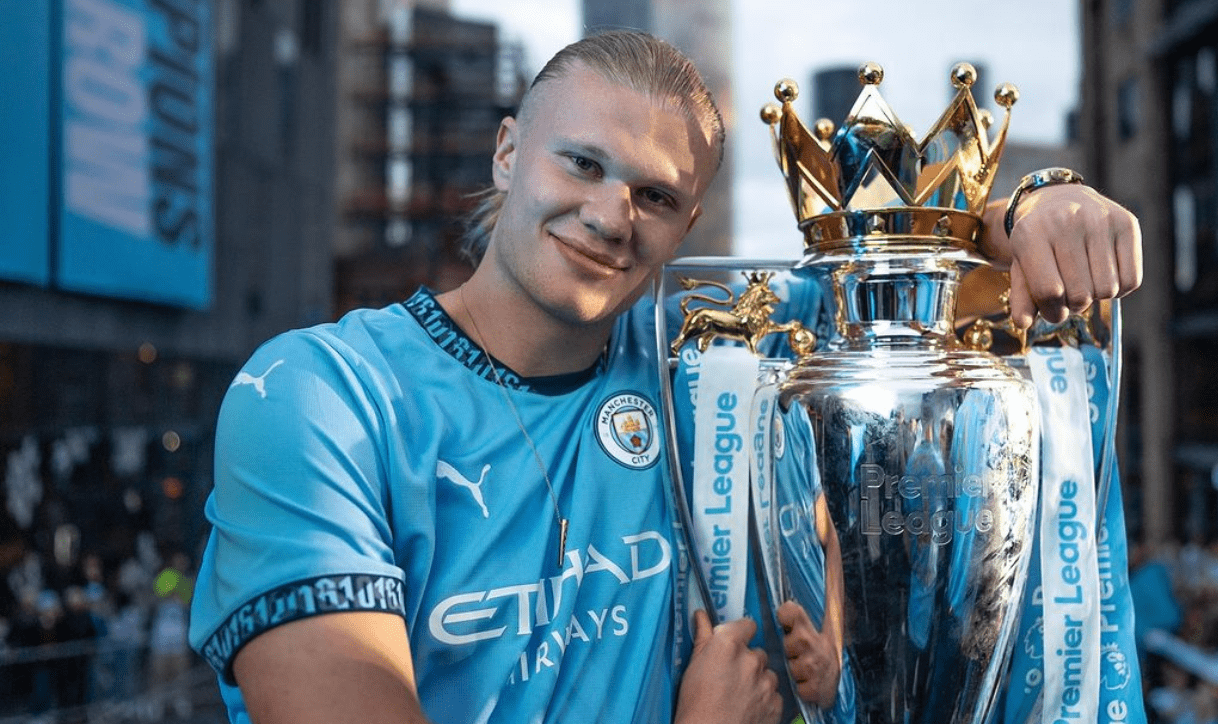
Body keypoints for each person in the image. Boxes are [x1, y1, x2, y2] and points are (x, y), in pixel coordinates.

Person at [188, 31, 1143, 724]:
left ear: (686, 231)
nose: (611, 216)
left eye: (655, 196)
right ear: (510, 151)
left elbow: (919, 270)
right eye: (582, 164)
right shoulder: (321, 397)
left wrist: (1039, 202)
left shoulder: (711, 362)